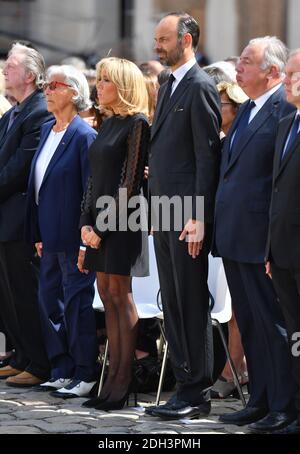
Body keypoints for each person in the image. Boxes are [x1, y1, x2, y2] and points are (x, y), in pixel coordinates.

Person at [213, 36, 296, 432]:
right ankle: (260, 398)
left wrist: (268, 246)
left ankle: (282, 404)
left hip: (261, 240)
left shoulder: (283, 108)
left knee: (272, 326)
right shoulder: (248, 108)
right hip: (235, 236)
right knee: (248, 324)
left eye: (247, 61)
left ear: (273, 73)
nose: (238, 68)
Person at [146, 12, 221, 420]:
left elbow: (205, 158)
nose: (156, 46)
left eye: (163, 39)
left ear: (186, 40)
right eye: (156, 39)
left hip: (186, 217)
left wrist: (197, 216)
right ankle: (182, 384)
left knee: (191, 303)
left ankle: (196, 392)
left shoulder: (200, 86)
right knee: (172, 302)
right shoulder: (168, 83)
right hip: (164, 213)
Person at [79, 57, 150, 410]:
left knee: (121, 297)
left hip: (123, 224)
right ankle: (109, 381)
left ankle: (123, 382)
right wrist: (85, 224)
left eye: (105, 80)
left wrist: (103, 229)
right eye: (99, 79)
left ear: (122, 85)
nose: (98, 85)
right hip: (97, 226)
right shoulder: (107, 123)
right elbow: (93, 179)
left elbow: (130, 182)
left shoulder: (137, 123)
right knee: (105, 294)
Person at [25, 65, 98, 397]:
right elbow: (38, 184)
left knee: (76, 303)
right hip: (48, 234)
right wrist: (36, 231)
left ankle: (85, 371)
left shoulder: (84, 136)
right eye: (45, 85)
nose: (47, 91)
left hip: (72, 236)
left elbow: (90, 191)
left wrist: (86, 238)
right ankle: (61, 367)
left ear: (73, 92)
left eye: (54, 85)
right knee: (48, 301)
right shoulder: (45, 130)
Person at [0, 43, 52, 387]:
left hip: (20, 217)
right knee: (7, 293)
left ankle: (38, 360)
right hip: (5, 216)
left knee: (24, 290)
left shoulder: (38, 112)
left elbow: (19, 170)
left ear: (30, 76)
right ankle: (20, 353)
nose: (4, 71)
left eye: (11, 66)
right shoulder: (10, 114)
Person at [265, 49, 300, 434]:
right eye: (288, 73)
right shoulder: (288, 121)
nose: (288, 81)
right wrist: (270, 249)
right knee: (296, 335)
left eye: (294, 74)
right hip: (283, 251)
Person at [211, 81, 249, 399]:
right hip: (228, 232)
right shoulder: (224, 140)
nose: (215, 108)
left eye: (221, 103)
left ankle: (235, 369)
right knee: (236, 306)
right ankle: (236, 367)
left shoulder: (242, 137)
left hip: (245, 231)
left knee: (241, 308)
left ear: (235, 107)